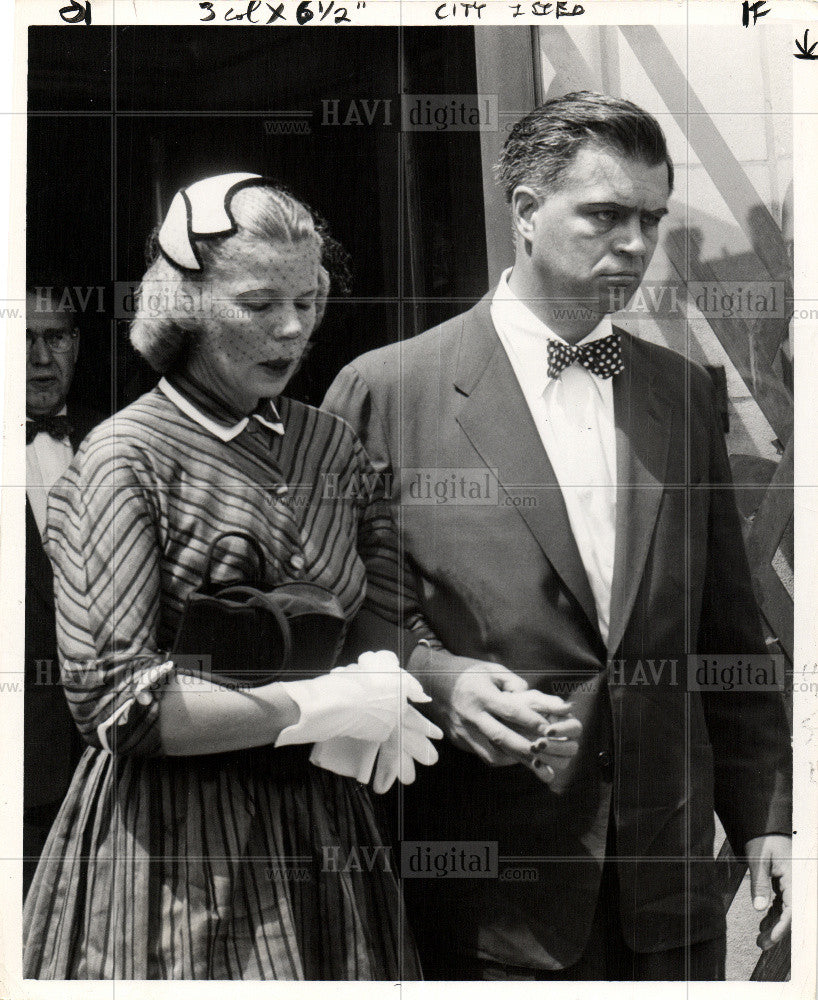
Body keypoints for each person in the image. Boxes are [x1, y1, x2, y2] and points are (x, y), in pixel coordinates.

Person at [323, 93, 792, 980]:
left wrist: (768, 814)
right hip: (489, 895)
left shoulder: (684, 392)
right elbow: (337, 615)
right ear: (527, 213)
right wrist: (438, 677)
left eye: (651, 219)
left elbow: (727, 626)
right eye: (606, 214)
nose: (636, 243)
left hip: (671, 892)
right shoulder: (386, 391)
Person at [23, 173, 439, 980]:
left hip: (325, 831)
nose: (291, 329)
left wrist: (394, 685)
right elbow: (116, 704)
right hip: (178, 848)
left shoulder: (330, 446)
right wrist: (314, 704)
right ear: (185, 306)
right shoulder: (124, 458)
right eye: (257, 305)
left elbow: (387, 606)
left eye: (308, 302)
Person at [24, 287, 101, 897]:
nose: (39, 357)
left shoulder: (115, 443)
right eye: (22, 338)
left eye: (55, 338)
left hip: (108, 757)